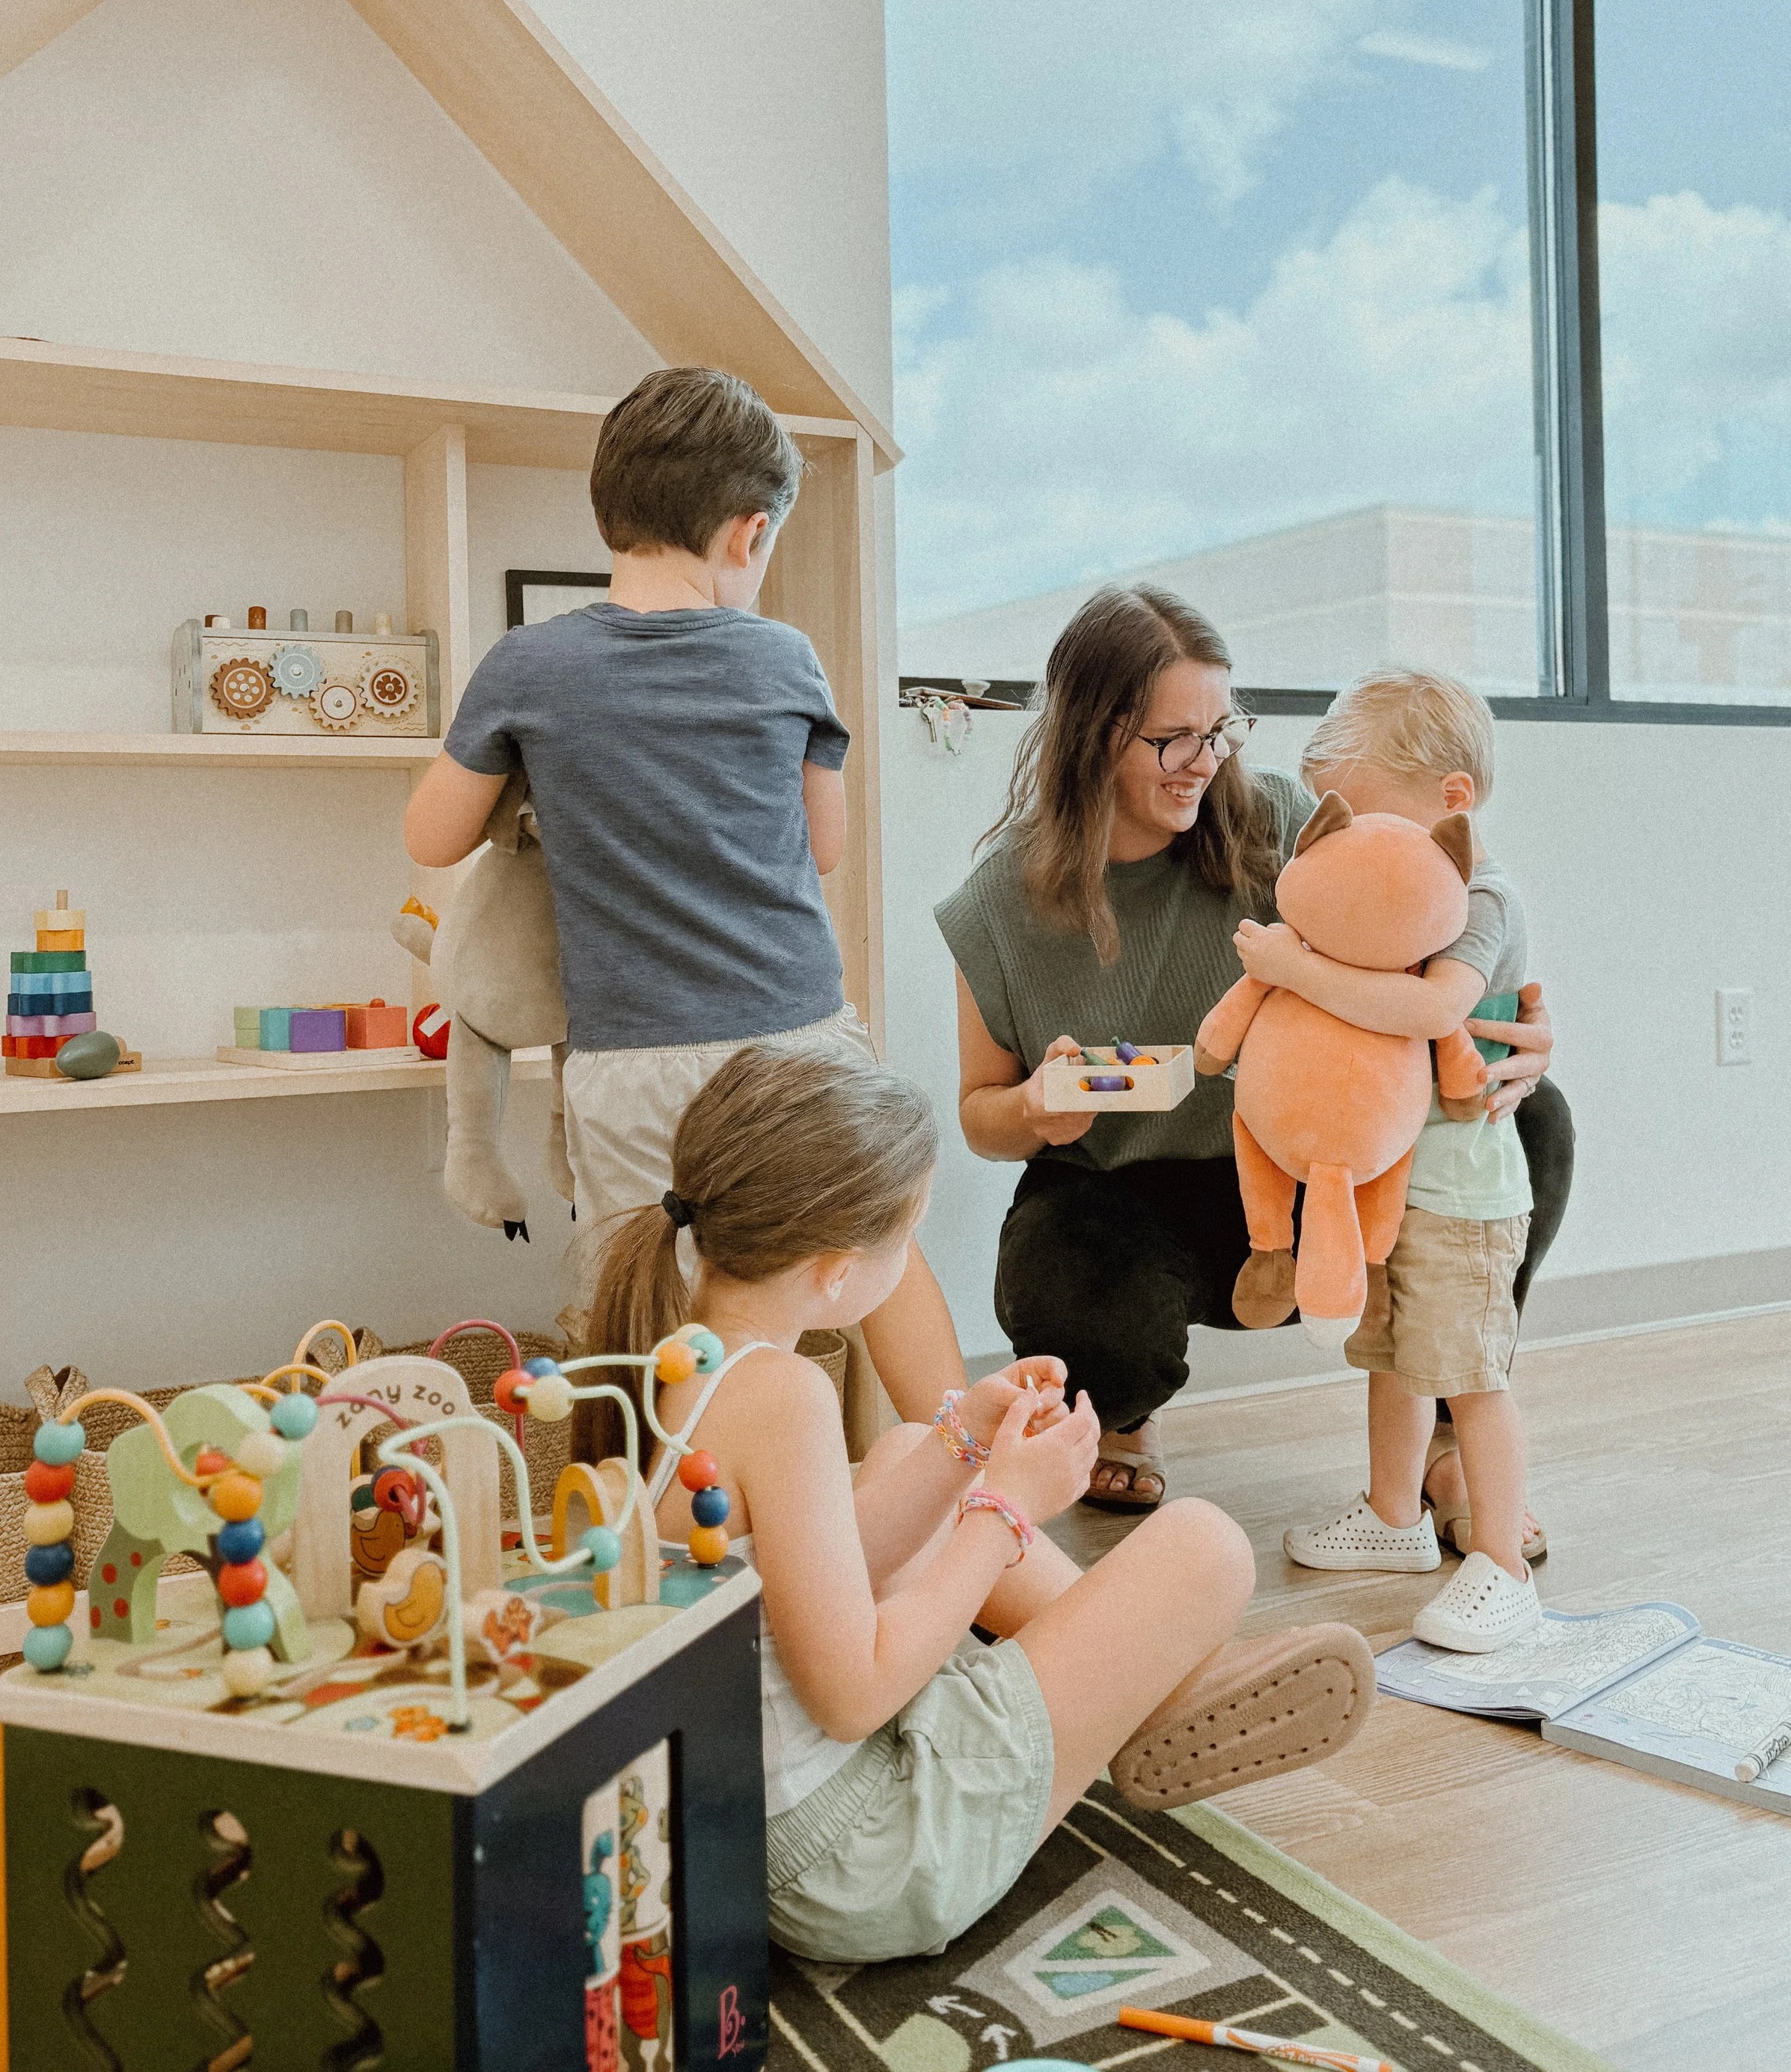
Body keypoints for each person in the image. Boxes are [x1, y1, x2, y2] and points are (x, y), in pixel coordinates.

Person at [575, 1043, 1375, 1962]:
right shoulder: (785, 1398)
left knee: (917, 1446)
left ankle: (1156, 1691)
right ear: (836, 1272)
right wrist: (1003, 1509)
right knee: (1205, 1545)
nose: (907, 1258)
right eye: (903, 1238)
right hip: (865, 1860)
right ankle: (1162, 1691)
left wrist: (966, 1445)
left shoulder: (686, 1354)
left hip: (775, 1833)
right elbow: (854, 1694)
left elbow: (790, 1584)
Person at [405, 364, 966, 1419]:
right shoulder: (784, 659)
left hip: (634, 1052)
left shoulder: (528, 666)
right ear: (749, 534)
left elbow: (431, 835)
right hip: (793, 1032)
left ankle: (675, 1535)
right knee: (873, 1239)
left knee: (650, 1304)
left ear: (611, 511)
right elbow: (826, 846)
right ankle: (972, 1469)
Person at [937, 585, 1567, 1515]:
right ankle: (1123, 1411)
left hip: (1316, 1163)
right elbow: (979, 1114)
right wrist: (1033, 1107)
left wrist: (1521, 1040)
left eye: (1220, 730)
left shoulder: (1289, 824)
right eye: (1172, 739)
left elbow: (1450, 914)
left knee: (1535, 1128)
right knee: (1064, 1280)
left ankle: (1447, 1426)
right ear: (1093, 734)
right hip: (1131, 1187)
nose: (1204, 762)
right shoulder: (999, 904)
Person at [1276, 670, 1542, 1650]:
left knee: (1467, 1371)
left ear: (1450, 800)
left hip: (1463, 1192)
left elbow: (1435, 1012)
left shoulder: (1481, 896)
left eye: (1371, 820)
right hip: (1397, 1182)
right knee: (1394, 1357)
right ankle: (1395, 1516)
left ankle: (1504, 1562)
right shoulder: (1381, 902)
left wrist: (1298, 969)